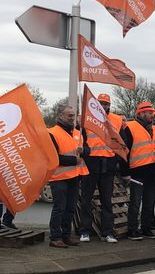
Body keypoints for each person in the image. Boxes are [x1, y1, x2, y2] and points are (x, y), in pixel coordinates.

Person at [79, 94, 121, 243]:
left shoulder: (117, 120)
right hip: (91, 163)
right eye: (101, 103)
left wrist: (117, 162)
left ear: (109, 105)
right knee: (86, 200)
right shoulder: (86, 119)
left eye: (106, 104)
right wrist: (84, 151)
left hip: (108, 164)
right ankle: (85, 231)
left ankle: (107, 232)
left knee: (107, 201)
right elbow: (80, 139)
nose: (104, 106)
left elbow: (122, 143)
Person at [47, 105, 89, 248]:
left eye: (73, 115)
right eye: (69, 115)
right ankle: (55, 237)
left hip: (74, 176)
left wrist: (83, 151)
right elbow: (53, 158)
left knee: (70, 208)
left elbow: (88, 151)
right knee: (59, 208)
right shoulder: (52, 133)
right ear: (60, 116)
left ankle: (66, 235)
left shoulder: (78, 133)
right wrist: (74, 160)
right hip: (59, 178)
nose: (72, 117)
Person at [120, 102, 155, 240]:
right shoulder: (129, 128)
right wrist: (125, 172)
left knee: (150, 202)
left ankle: (146, 228)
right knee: (135, 202)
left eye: (152, 113)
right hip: (137, 171)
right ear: (141, 114)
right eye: (150, 113)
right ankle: (132, 229)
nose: (152, 115)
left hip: (152, 172)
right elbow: (124, 151)